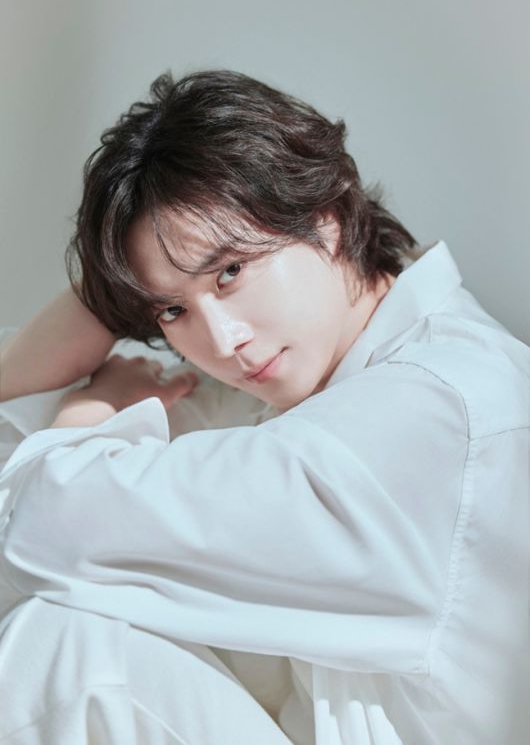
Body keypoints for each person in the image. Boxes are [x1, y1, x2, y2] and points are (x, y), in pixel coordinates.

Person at [0, 70, 528, 745]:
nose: (223, 341)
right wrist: (124, 286)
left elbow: (39, 523)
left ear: (326, 217)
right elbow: (15, 427)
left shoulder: (424, 411)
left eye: (231, 272)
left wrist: (96, 405)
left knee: (68, 654)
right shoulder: (313, 380)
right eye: (173, 311)